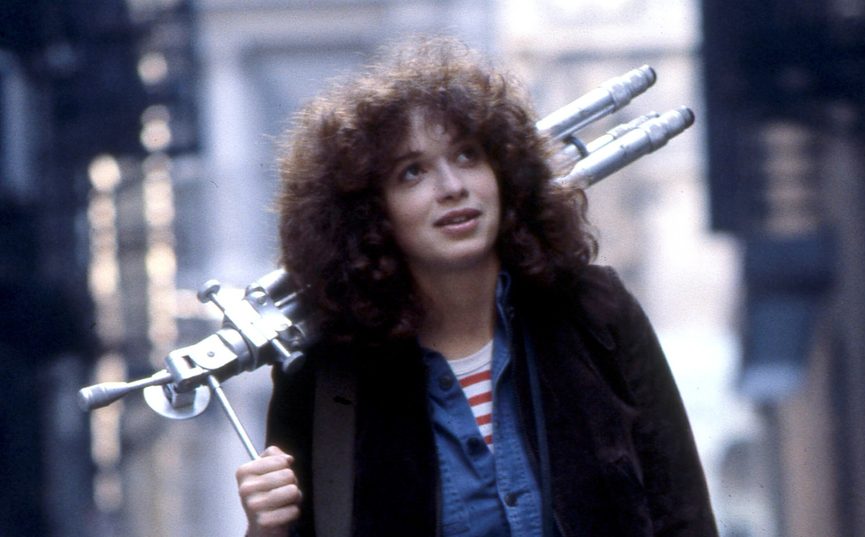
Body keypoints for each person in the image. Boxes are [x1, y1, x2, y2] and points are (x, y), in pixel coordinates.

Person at [235, 36, 718, 537]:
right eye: (412, 172)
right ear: (369, 213)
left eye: (468, 156)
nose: (451, 187)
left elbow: (683, 514)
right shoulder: (323, 377)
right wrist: (263, 530)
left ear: (505, 174)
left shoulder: (595, 313)